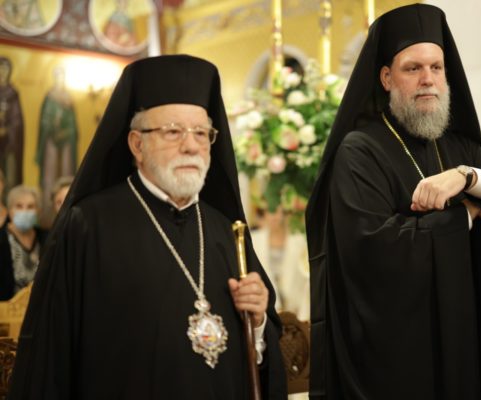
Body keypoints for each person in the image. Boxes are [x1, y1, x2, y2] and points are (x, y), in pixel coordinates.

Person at [8, 55, 286, 399]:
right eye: (173, 131)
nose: (191, 145)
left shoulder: (226, 231)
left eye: (202, 133)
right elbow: (51, 354)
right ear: (137, 144)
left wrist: (257, 322)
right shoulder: (87, 226)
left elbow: (259, 360)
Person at [305, 4, 481, 400]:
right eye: (413, 68)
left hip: (463, 343)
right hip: (398, 362)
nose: (427, 79)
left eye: (436, 67)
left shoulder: (459, 146)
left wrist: (467, 176)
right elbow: (372, 249)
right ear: (386, 78)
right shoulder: (359, 150)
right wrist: (466, 214)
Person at [35, 65, 78, 228]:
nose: (60, 79)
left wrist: (66, 132)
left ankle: (66, 205)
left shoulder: (69, 99)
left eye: (62, 76)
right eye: (57, 76)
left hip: (66, 141)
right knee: (50, 173)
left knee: (67, 170)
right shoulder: (49, 97)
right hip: (51, 140)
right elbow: (44, 120)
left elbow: (73, 124)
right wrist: (52, 129)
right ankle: (48, 208)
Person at [0, 185, 46, 300]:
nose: (24, 211)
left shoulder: (47, 238)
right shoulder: (2, 239)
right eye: (19, 206)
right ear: (9, 210)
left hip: (40, 306)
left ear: (38, 211)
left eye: (30, 206)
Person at [0, 56, 24, 192]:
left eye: (5, 69)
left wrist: (8, 130)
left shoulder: (12, 94)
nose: (2, 72)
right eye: (0, 68)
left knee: (10, 176)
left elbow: (17, 120)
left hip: (9, 142)